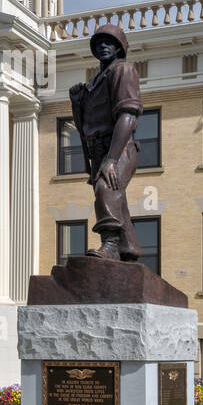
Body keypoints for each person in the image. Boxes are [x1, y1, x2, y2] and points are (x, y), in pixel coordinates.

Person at [68, 23, 143, 261]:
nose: (103, 46)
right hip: (98, 149)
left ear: (120, 47)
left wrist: (111, 159)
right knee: (115, 198)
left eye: (109, 42)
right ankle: (129, 248)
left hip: (118, 147)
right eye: (98, 43)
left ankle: (110, 245)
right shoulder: (93, 84)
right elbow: (84, 127)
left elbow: (128, 115)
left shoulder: (123, 70)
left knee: (106, 189)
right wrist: (76, 103)